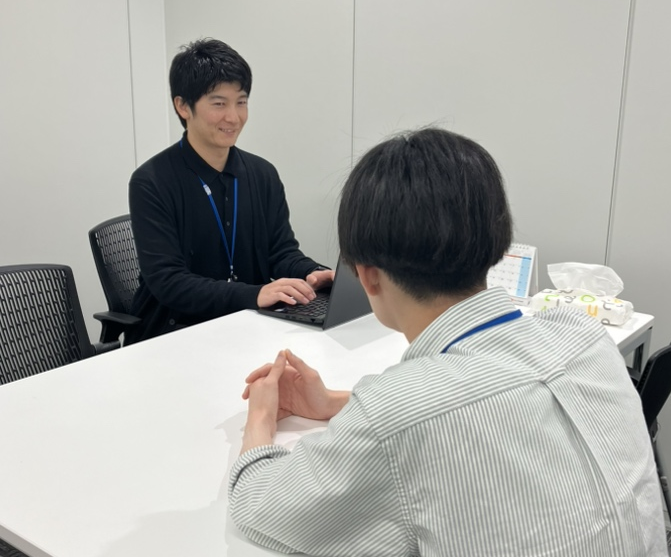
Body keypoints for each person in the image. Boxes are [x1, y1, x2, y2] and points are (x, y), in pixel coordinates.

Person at [228, 128, 666, 555]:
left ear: (367, 275)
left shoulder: (396, 411)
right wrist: (334, 403)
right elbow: (493, 390)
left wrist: (261, 416)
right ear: (497, 247)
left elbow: (260, 506)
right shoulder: (583, 335)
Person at [126, 39, 333, 344]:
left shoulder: (262, 174)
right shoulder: (151, 181)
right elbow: (169, 281)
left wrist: (314, 274)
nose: (234, 117)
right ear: (183, 106)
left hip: (247, 326)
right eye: (219, 103)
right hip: (174, 333)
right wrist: (254, 294)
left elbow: (280, 252)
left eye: (241, 102)